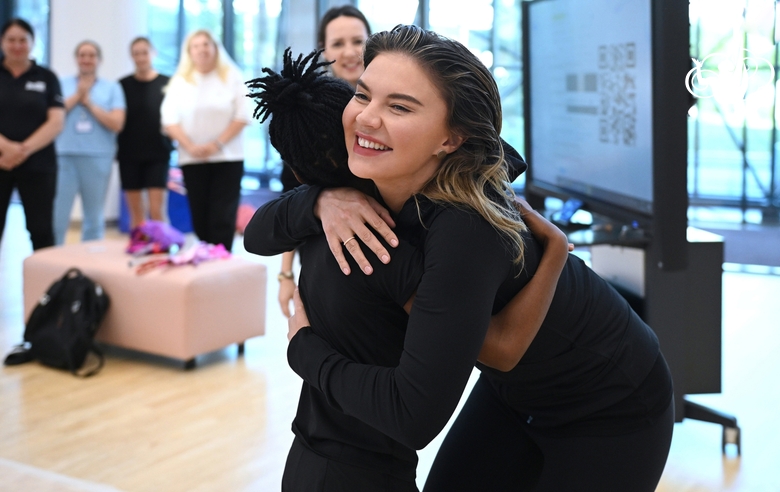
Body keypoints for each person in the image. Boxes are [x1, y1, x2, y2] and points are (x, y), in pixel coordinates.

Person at [246, 25, 674, 492]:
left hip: (611, 400)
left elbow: (413, 416)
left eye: (399, 106)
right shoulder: (376, 171)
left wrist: (304, 349)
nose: (367, 119)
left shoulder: (466, 225)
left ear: (451, 138)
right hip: (513, 392)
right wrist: (317, 203)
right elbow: (258, 233)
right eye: (364, 95)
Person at [276, 5, 373, 318]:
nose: (350, 52)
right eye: (338, 43)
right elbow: (291, 193)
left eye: (358, 41)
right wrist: (286, 274)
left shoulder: (391, 105)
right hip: (324, 250)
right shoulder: (309, 115)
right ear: (323, 50)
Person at [161, 29, 250, 252]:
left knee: (222, 216)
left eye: (206, 44)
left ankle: (221, 262)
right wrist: (190, 146)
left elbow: (243, 115)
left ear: (215, 48)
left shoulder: (232, 76)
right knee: (200, 217)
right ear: (189, 51)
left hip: (227, 158)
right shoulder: (180, 81)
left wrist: (216, 144)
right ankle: (206, 262)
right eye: (196, 45)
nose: (202, 49)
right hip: (192, 160)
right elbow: (169, 120)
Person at [0, 18, 64, 251]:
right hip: (0, 161)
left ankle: (44, 286)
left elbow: (56, 122)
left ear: (32, 43)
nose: (17, 45)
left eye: (22, 40)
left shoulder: (47, 77)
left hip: (38, 165)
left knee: (41, 231)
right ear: (2, 42)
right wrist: (6, 147)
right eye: (11, 40)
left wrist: (21, 151)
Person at [54, 40, 126, 245]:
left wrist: (89, 103)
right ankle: (55, 261)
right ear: (76, 59)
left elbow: (117, 123)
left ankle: (91, 263)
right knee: (58, 216)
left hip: (98, 158)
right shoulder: (61, 84)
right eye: (82, 55)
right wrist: (78, 95)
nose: (86, 59)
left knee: (94, 217)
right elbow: (54, 115)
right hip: (64, 156)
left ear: (99, 60)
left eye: (91, 55)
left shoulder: (112, 88)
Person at [117, 36, 173, 230]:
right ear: (132, 56)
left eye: (144, 52)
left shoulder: (167, 83)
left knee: (157, 212)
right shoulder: (122, 85)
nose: (141, 57)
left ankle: (163, 251)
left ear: (153, 53)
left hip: (158, 153)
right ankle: (139, 248)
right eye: (136, 53)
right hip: (129, 154)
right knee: (136, 215)